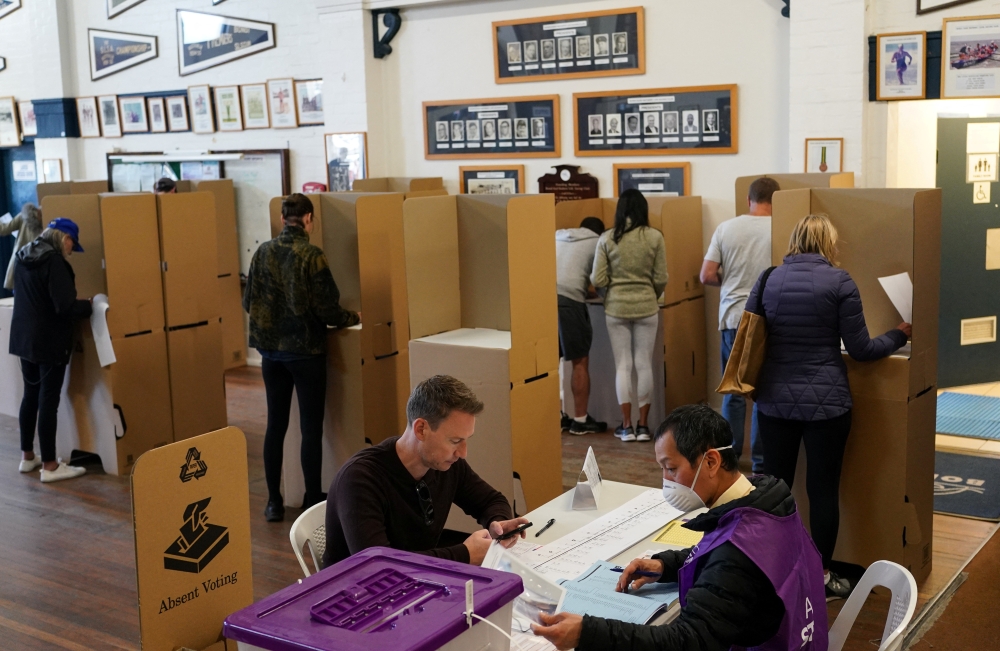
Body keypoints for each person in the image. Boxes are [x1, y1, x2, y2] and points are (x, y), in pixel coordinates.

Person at [533, 405, 828, 651]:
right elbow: (734, 559)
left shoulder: (733, 557)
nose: (665, 480)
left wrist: (587, 632)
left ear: (711, 461)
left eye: (671, 468)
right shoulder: (769, 497)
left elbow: (688, 641)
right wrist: (666, 565)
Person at [746, 214, 910, 599]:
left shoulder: (768, 279)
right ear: (828, 243)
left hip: (775, 402)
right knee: (822, 491)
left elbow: (750, 337)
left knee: (775, 488)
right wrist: (897, 335)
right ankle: (821, 577)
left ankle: (773, 568)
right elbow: (861, 350)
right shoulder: (840, 281)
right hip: (828, 404)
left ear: (795, 239)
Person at [323, 375, 530, 566]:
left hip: (415, 584)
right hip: (357, 596)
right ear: (421, 429)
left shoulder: (445, 464)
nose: (463, 452)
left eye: (466, 440)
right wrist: (465, 554)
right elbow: (378, 565)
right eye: (455, 441)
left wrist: (499, 523)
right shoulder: (359, 481)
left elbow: (491, 501)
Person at [243, 193, 360, 522]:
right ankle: (311, 503)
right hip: (305, 353)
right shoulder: (312, 255)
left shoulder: (262, 252)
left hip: (270, 354)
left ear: (282, 219)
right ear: (309, 219)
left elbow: (248, 301)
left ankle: (273, 502)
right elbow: (328, 309)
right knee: (311, 429)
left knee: (275, 426)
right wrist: (352, 317)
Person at [700, 177, 779, 473]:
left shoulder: (726, 228)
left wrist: (731, 283)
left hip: (733, 317)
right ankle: (759, 464)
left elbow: (706, 275)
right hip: (768, 319)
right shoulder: (782, 228)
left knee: (733, 392)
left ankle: (729, 462)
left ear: (749, 200)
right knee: (761, 394)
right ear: (777, 200)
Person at [12, 219, 92, 483]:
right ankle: (50, 466)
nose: (71, 249)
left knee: (31, 395)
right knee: (49, 399)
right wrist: (91, 305)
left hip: (25, 340)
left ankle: (27, 457)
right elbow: (65, 307)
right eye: (71, 243)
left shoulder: (24, 254)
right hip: (49, 341)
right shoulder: (54, 262)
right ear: (63, 237)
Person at [591, 190, 667, 443]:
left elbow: (597, 278)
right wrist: (650, 294)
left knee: (623, 365)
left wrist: (609, 294)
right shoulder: (655, 237)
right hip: (647, 306)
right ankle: (644, 426)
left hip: (616, 309)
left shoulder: (607, 238)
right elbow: (661, 278)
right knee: (643, 363)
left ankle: (626, 427)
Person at [556, 217, 607, 436]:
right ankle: (580, 420)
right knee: (579, 361)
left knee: (548, 367)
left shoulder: (558, 235)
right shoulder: (599, 242)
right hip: (570, 302)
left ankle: (556, 417)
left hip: (539, 300)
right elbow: (599, 279)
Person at [0, 202, 43, 291]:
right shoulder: (51, 218)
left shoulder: (23, 216)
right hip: (40, 263)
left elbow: (3, 229)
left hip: (21, 260)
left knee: (19, 296)